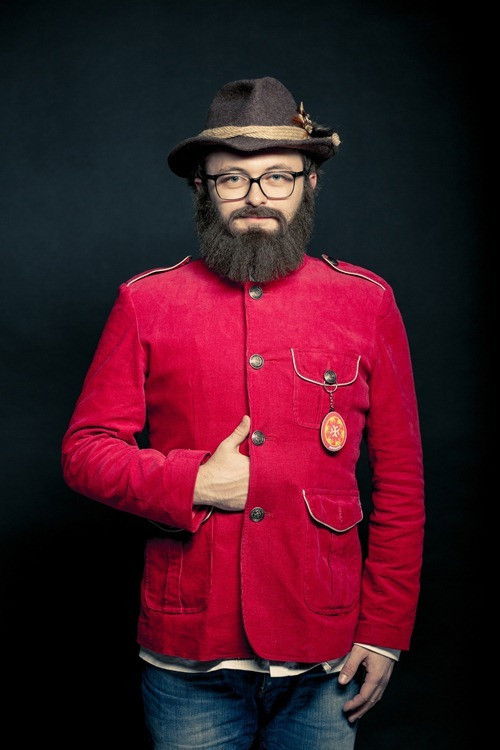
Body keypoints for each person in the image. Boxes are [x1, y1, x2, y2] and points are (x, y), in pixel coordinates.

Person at [61, 76, 425, 749]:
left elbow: (402, 482)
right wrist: (193, 482)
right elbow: (85, 450)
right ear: (203, 189)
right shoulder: (147, 301)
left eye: (278, 176)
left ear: (310, 184)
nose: (257, 196)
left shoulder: (366, 302)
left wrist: (384, 631)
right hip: (188, 649)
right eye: (232, 179)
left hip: (326, 650)